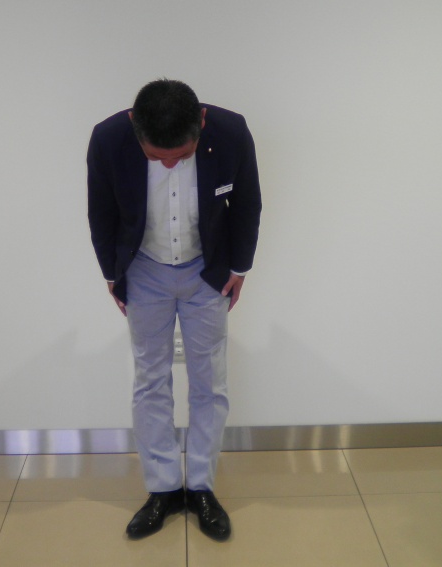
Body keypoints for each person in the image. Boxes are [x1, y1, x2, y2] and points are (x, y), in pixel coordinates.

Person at [87, 78, 262, 541]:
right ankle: (163, 488)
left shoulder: (231, 131)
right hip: (144, 270)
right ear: (134, 126)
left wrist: (239, 267)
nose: (169, 164)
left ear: (201, 123)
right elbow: (100, 210)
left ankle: (201, 485)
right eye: (156, 157)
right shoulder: (108, 138)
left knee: (210, 382)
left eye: (181, 156)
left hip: (208, 270)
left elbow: (247, 202)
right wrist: (112, 274)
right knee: (151, 380)